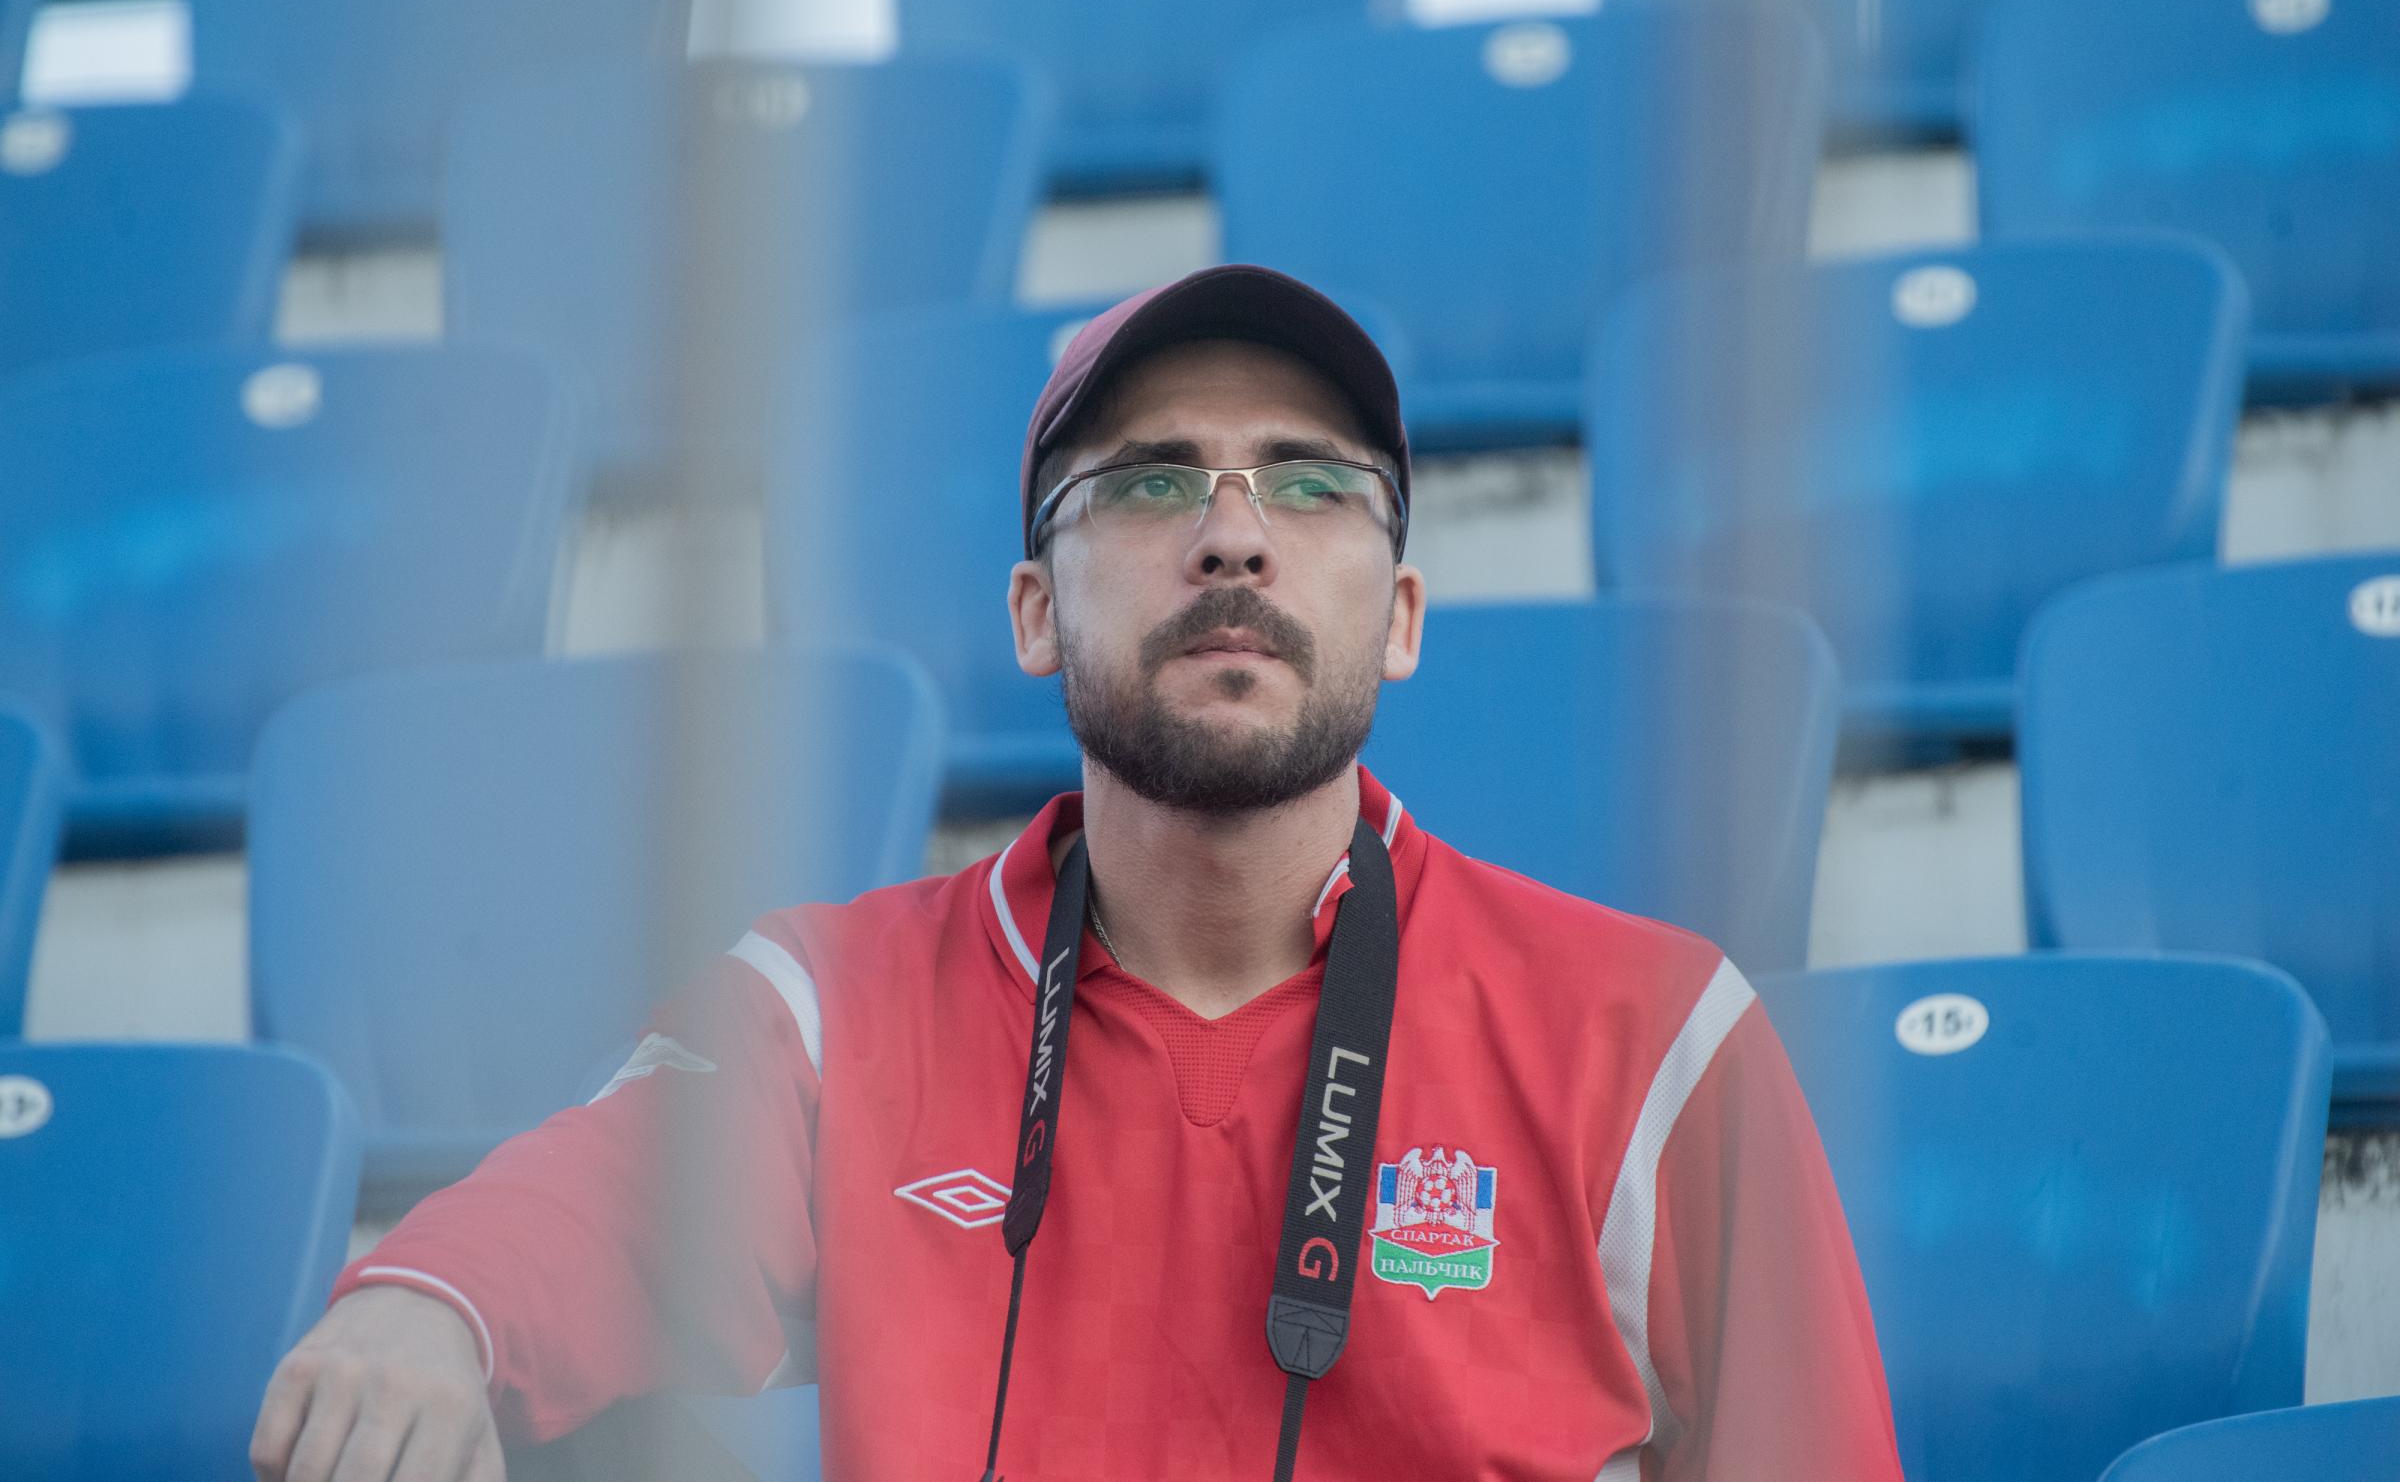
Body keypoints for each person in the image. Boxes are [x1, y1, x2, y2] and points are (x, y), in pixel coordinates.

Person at [252, 265, 1903, 1482]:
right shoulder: (836, 1006)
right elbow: (600, 1202)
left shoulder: (1654, 1036)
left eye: (1312, 483)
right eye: (1150, 480)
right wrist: (432, 1304)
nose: (1234, 533)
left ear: (1401, 615)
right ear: (1036, 610)